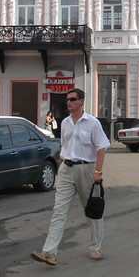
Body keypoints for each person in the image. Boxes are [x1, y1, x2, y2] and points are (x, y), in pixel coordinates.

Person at [31, 88, 110, 266]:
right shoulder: (65, 123)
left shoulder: (92, 123)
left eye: (72, 99)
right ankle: (49, 252)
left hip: (86, 170)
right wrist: (59, 171)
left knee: (91, 210)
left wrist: (97, 172)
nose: (68, 102)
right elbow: (64, 149)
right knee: (58, 211)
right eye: (67, 100)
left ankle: (95, 247)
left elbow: (101, 148)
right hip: (67, 168)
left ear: (81, 101)